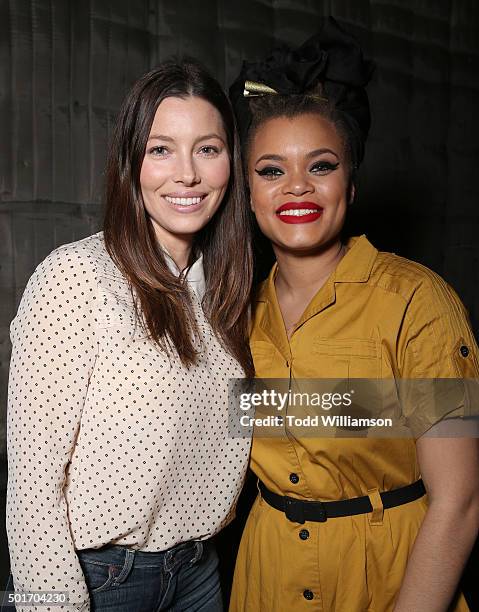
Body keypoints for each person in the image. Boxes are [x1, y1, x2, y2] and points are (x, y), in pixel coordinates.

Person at [228, 17, 479, 612]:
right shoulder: (234, 317)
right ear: (247, 188)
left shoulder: (419, 303)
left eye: (321, 166)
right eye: (271, 170)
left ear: (352, 182)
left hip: (387, 579)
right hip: (267, 576)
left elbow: (461, 503)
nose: (296, 188)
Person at [5, 59, 254, 612]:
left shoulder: (226, 290)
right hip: (100, 582)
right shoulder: (76, 277)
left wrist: (436, 406)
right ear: (131, 161)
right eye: (161, 148)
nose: (186, 174)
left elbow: (253, 417)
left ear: (230, 164)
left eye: (208, 149)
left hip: (200, 575)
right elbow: (32, 487)